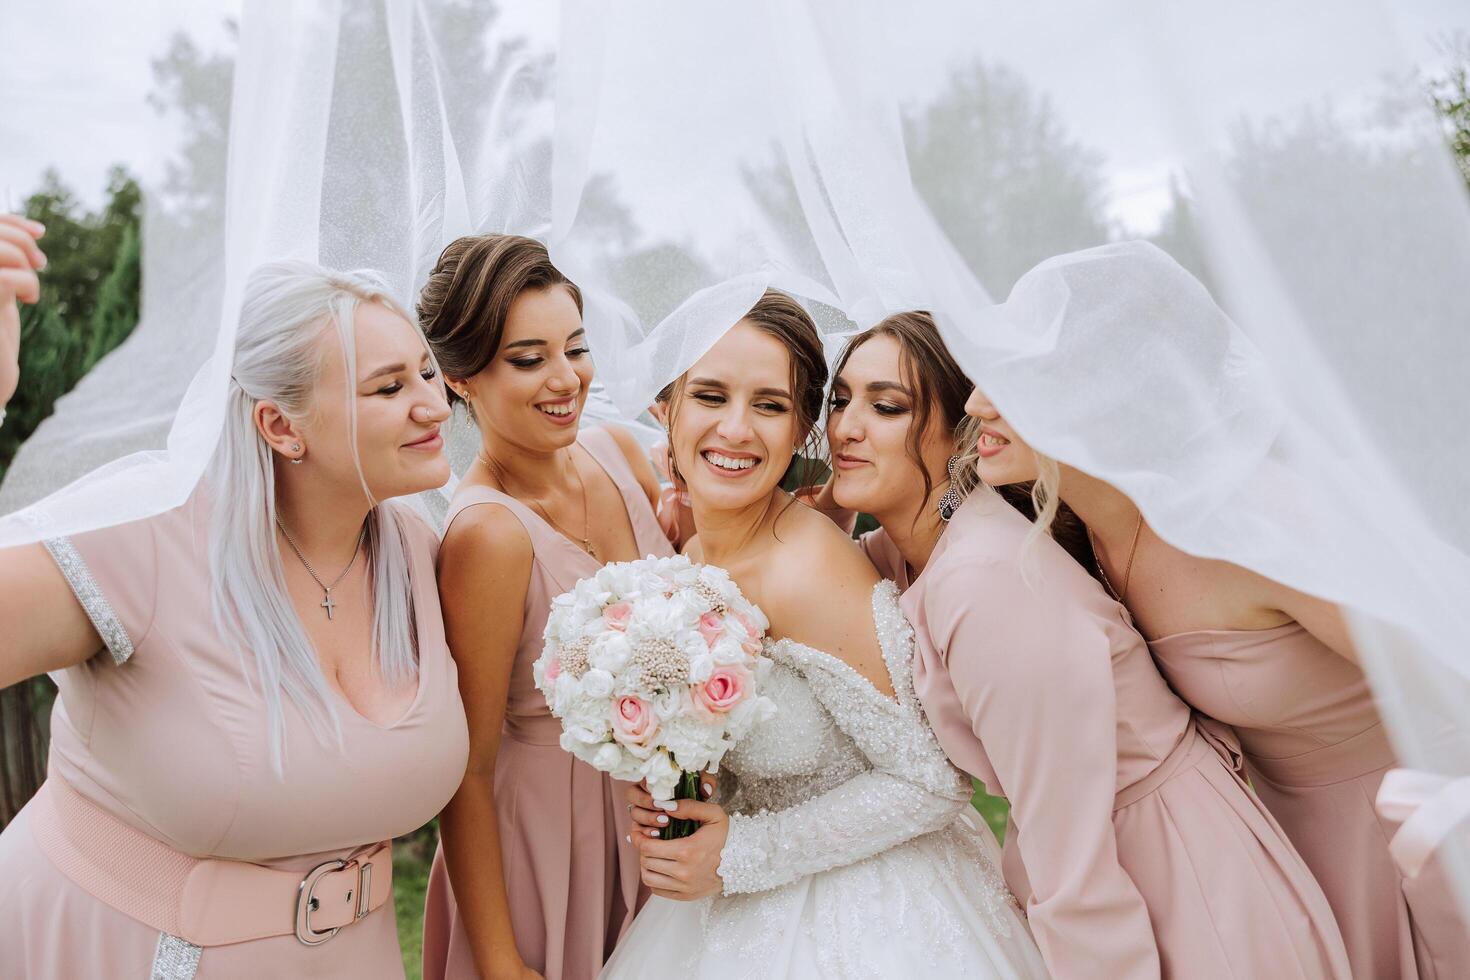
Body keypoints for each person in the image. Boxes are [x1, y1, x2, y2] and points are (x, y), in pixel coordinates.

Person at [956, 246, 1470, 979]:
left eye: (1016, 376)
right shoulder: (1073, 524)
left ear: (1105, 388)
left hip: (1414, 843)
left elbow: (1453, 658)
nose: (977, 401)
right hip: (1286, 854)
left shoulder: (1255, 522)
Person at [817, 310, 1352, 979]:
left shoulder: (986, 585)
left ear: (962, 431)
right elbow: (816, 578)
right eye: (840, 400)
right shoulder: (910, 553)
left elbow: (1071, 856)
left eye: (887, 406)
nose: (845, 427)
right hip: (1112, 858)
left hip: (1172, 883)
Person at [0, 244, 469, 978]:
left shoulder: (423, 551)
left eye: (427, 373)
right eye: (387, 388)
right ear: (282, 428)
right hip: (109, 950)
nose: (434, 405)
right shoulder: (146, 538)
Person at [607, 291, 1049, 980]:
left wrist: (740, 855)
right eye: (711, 396)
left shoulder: (807, 566)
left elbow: (932, 780)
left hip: (875, 913)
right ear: (667, 411)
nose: (735, 429)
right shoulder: (692, 560)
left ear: (799, 430)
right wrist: (686, 781)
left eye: (769, 405)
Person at [416, 235, 674, 980]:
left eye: (576, 348)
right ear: (461, 378)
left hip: (659, 824)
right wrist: (501, 961)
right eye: (528, 359)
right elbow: (465, 772)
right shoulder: (488, 535)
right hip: (547, 851)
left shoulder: (621, 453)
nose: (566, 379)